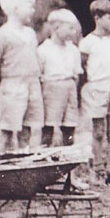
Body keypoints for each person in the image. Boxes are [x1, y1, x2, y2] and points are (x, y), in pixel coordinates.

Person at [79, 0, 110, 185]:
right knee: (99, 131)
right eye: (109, 18)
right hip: (97, 86)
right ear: (97, 18)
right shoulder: (87, 42)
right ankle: (98, 168)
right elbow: (82, 65)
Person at [0, 0, 42, 152]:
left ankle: (22, 167)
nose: (33, 10)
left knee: (28, 128)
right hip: (12, 86)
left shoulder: (30, 34)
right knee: (8, 131)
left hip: (32, 84)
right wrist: (2, 88)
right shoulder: (2, 35)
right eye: (29, 6)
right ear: (16, 9)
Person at [37, 9, 82, 149]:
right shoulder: (43, 50)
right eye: (70, 28)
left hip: (69, 88)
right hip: (51, 89)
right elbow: (39, 75)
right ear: (56, 28)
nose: (73, 32)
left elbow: (76, 75)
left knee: (69, 126)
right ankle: (45, 160)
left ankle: (67, 162)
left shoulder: (73, 50)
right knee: (48, 126)